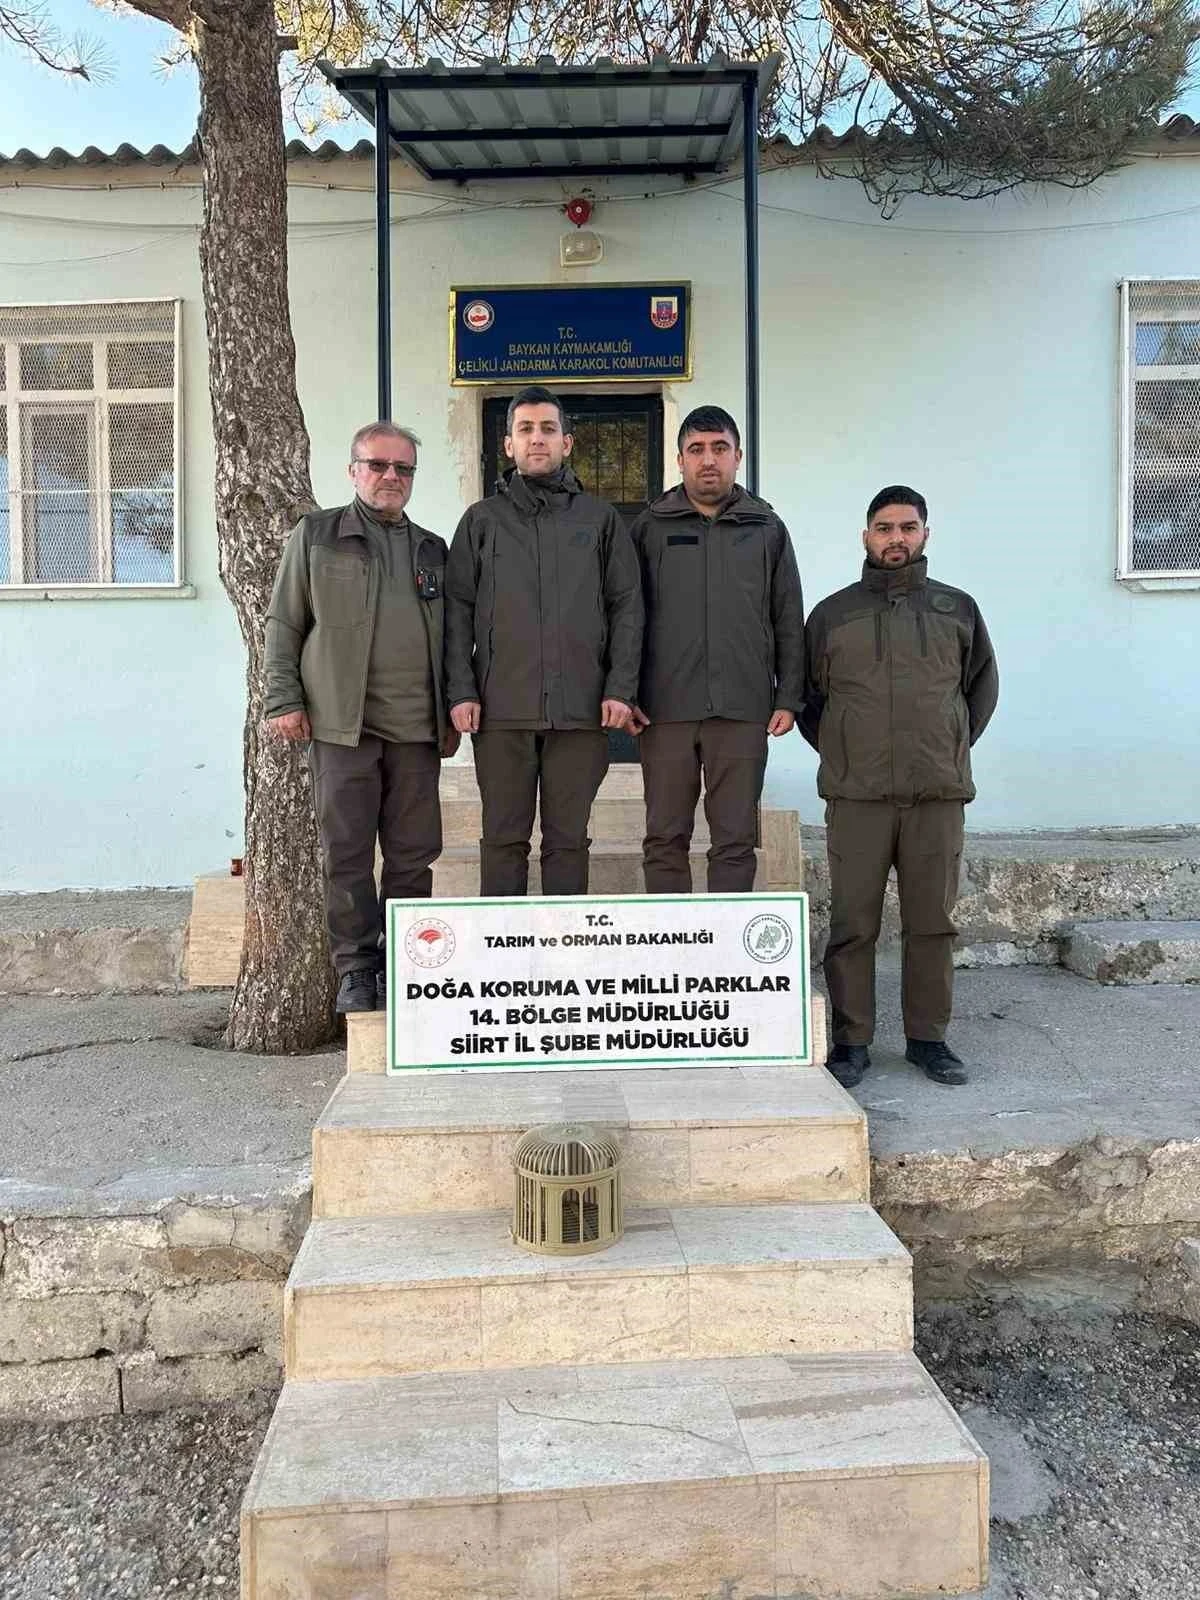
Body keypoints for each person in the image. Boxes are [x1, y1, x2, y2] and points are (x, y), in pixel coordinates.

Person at [800, 486, 998, 1088]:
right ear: (866, 536)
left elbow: (980, 690)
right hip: (857, 796)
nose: (896, 539)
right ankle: (851, 1041)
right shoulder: (832, 614)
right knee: (853, 924)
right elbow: (809, 700)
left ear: (925, 535)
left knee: (932, 922)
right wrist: (844, 749)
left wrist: (947, 745)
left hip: (936, 794)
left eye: (908, 528)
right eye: (884, 528)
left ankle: (928, 1039)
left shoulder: (957, 609)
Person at [263, 421, 457, 1014]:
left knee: (412, 855)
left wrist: (453, 707)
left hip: (416, 730)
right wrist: (283, 699)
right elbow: (284, 621)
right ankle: (355, 969)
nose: (391, 477)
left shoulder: (431, 548)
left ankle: (403, 963)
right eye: (378, 465)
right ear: (353, 471)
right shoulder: (318, 535)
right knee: (346, 854)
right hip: (342, 727)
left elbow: (454, 637)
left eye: (403, 468)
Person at [445, 385, 642, 896]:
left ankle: (564, 940)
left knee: (568, 840)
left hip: (580, 711)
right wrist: (461, 690)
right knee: (503, 839)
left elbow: (626, 607)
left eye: (548, 429)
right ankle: (499, 942)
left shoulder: (599, 520)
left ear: (567, 442)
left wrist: (620, 688)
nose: (538, 439)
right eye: (526, 429)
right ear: (508, 444)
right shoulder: (481, 521)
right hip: (500, 711)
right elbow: (457, 610)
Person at [628, 405, 804, 892]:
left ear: (738, 456)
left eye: (720, 448)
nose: (709, 460)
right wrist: (625, 691)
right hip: (665, 709)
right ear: (679, 460)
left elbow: (788, 616)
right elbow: (626, 616)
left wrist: (789, 696)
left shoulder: (767, 529)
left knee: (735, 840)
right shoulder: (649, 528)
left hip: (743, 707)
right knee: (665, 838)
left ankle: (726, 939)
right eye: (697, 449)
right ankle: (671, 937)